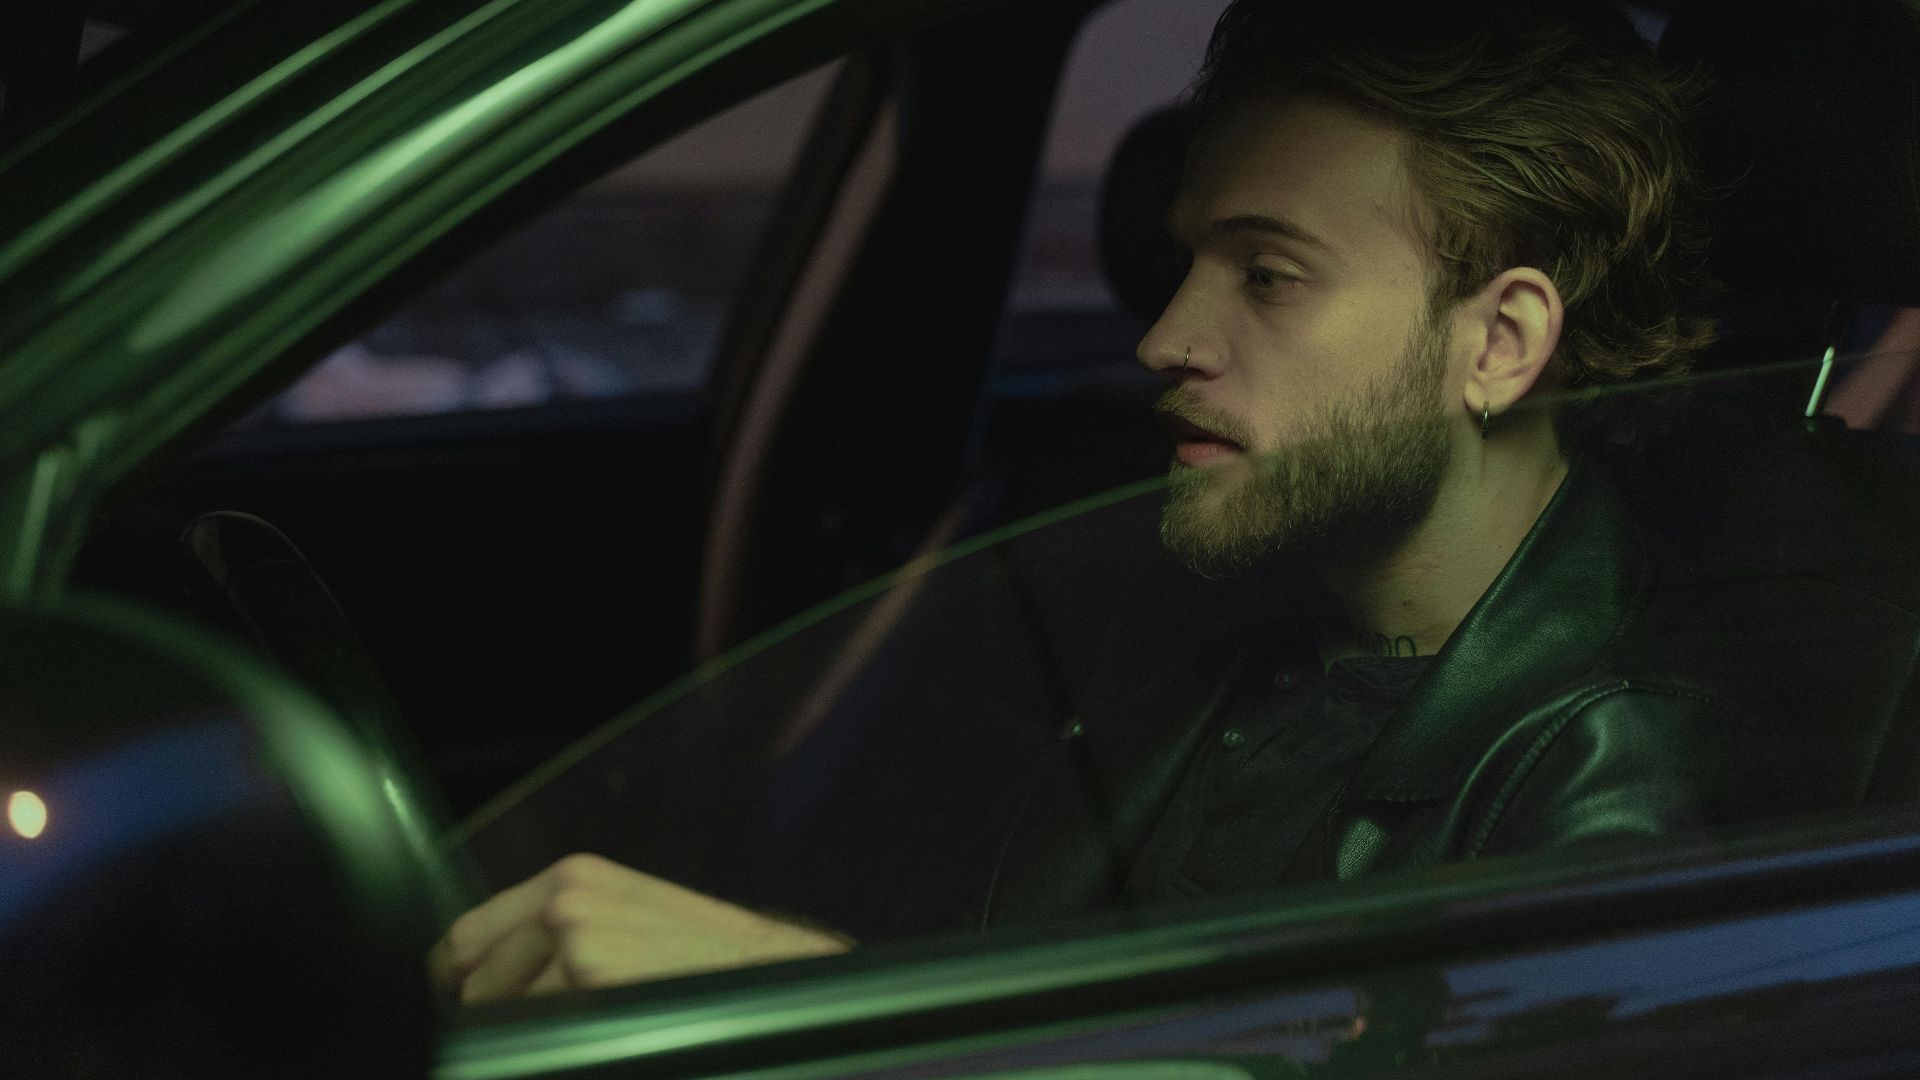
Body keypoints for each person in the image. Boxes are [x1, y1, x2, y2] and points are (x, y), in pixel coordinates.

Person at [431, 0, 1761, 1000]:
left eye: (1269, 274)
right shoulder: (1221, 605)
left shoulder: (1609, 789)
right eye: (1191, 261)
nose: (1164, 335)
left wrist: (801, 1006)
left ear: (1500, 342)